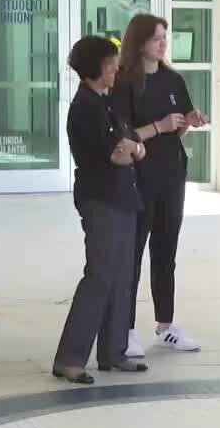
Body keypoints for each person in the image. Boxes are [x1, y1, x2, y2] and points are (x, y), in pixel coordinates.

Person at [51, 36, 150, 384]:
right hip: (101, 198)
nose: (116, 68)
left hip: (124, 196)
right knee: (100, 276)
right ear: (94, 67)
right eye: (110, 63)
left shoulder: (108, 103)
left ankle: (114, 351)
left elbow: (133, 146)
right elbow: (118, 153)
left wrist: (133, 149)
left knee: (124, 277)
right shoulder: (85, 108)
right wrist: (133, 150)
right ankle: (71, 358)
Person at [111, 14, 208, 357]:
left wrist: (187, 123)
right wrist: (160, 125)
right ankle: (124, 328)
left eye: (165, 36)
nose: (163, 42)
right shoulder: (123, 82)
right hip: (139, 175)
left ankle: (165, 325)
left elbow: (177, 125)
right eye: (156, 37)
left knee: (166, 251)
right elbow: (123, 135)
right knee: (133, 251)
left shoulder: (173, 79)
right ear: (139, 42)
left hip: (171, 173)